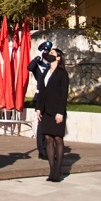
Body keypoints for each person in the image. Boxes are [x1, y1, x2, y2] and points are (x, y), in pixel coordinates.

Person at [35, 47, 69, 182]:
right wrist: (38, 108)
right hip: (45, 111)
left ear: (59, 57)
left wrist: (60, 112)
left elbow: (64, 94)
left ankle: (58, 170)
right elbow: (41, 92)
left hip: (57, 111)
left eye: (52, 54)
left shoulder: (62, 73)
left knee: (58, 139)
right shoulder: (45, 73)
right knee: (48, 138)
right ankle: (52, 169)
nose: (49, 55)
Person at [27, 40, 52, 160]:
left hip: (50, 97)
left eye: (48, 51)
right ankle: (42, 149)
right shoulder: (38, 66)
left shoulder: (51, 65)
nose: (47, 54)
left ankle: (49, 148)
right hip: (40, 96)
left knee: (49, 123)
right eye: (45, 51)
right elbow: (29, 67)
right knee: (41, 124)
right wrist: (38, 57)